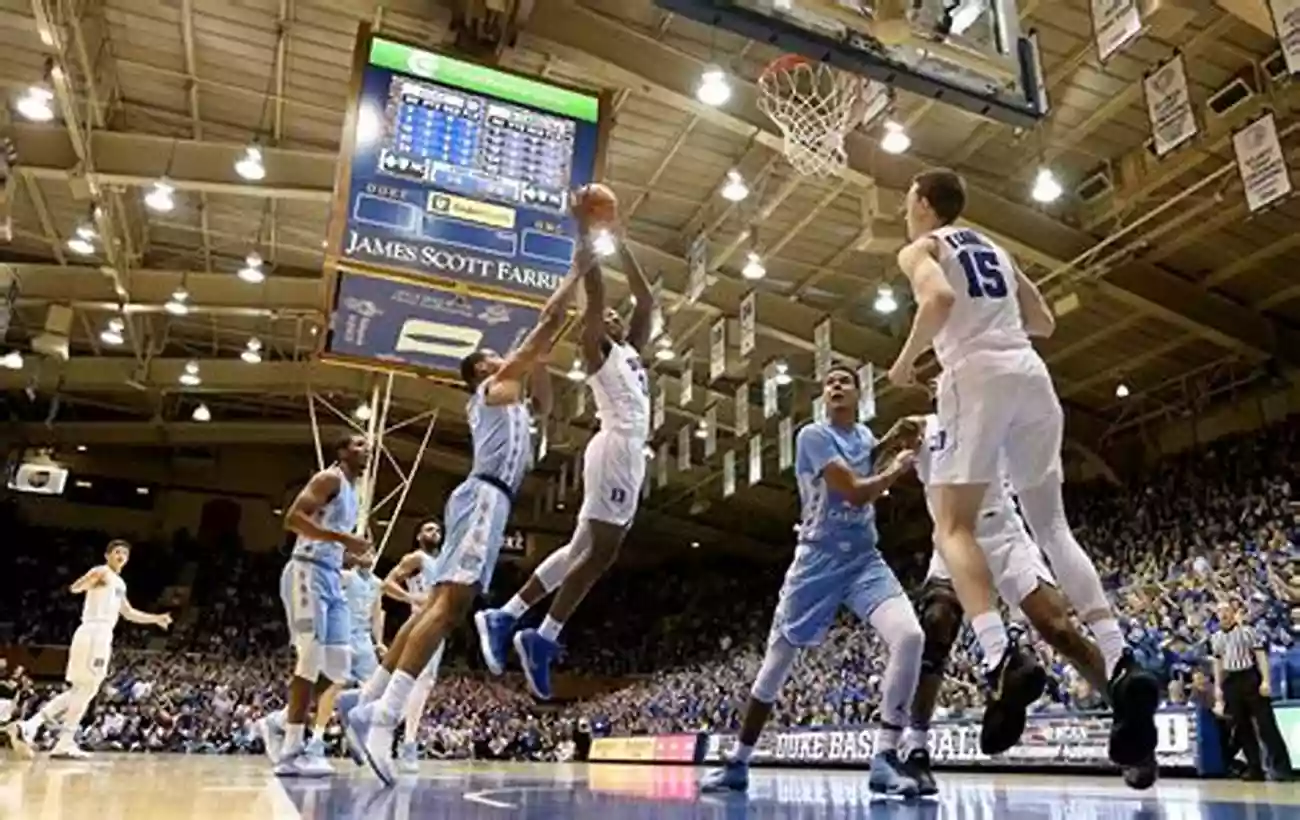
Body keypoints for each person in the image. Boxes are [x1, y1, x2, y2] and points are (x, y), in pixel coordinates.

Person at [886, 167, 1158, 764]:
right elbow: (1044, 323)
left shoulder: (922, 247)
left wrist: (906, 362)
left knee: (952, 528)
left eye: (908, 201)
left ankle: (1000, 657)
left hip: (978, 380)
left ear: (924, 203)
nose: (905, 211)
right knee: (1054, 528)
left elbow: (938, 300)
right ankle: (1120, 656)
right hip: (1030, 372)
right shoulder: (997, 250)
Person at [346, 224, 586, 786]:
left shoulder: (512, 401)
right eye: (495, 357)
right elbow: (543, 331)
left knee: (436, 607)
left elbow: (547, 402)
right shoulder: (491, 390)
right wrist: (575, 273)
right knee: (448, 609)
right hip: (483, 497)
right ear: (481, 369)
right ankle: (384, 719)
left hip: (486, 500)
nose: (503, 358)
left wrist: (540, 356)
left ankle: (368, 700)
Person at [895, 406, 1157, 791]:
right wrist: (889, 445)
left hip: (1004, 532)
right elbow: (874, 457)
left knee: (1059, 630)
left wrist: (1018, 619)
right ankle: (916, 745)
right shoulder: (923, 427)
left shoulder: (995, 404)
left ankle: (1132, 722)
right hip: (952, 538)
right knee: (936, 623)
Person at [699, 365, 925, 796]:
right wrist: (897, 468)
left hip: (863, 560)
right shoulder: (813, 436)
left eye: (845, 381)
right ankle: (738, 762)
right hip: (817, 562)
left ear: (859, 393)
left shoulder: (864, 437)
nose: (836, 385)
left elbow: (868, 456)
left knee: (910, 636)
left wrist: (894, 438)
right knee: (775, 665)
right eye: (829, 382)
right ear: (824, 396)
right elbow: (853, 491)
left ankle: (885, 757)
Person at [475, 219, 655, 700]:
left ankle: (507, 614)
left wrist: (621, 242)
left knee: (580, 551)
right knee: (602, 552)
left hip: (625, 452)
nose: (613, 316)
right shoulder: (596, 352)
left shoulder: (631, 351)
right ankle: (543, 635)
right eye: (607, 316)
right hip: (616, 446)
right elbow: (594, 301)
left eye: (617, 316)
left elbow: (646, 301)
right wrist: (589, 239)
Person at [259, 433, 372, 777]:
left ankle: (279, 720)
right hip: (306, 571)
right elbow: (293, 518)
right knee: (309, 660)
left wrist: (347, 553)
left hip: (332, 577)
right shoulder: (328, 478)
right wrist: (343, 538)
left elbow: (329, 536)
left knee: (338, 668)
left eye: (368, 446)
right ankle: (292, 751)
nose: (367, 449)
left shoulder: (353, 492)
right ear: (342, 451)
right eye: (359, 444)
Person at [5, 539, 171, 760]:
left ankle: (33, 727)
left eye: (125, 553)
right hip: (96, 633)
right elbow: (76, 587)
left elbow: (128, 612)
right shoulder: (101, 571)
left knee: (81, 691)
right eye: (117, 552)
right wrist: (90, 580)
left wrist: (156, 618)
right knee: (88, 689)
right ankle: (55, 738)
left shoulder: (120, 583)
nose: (121, 556)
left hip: (91, 634)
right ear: (107, 555)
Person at [380, 518, 447, 774]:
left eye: (438, 530)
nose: (435, 532)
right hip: (420, 622)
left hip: (438, 625)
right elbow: (387, 584)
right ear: (419, 536)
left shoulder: (443, 562)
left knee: (422, 685)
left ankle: (392, 734)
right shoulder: (416, 558)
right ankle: (407, 744)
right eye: (429, 529)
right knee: (417, 682)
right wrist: (412, 598)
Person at [1210, 600, 1294, 781]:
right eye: (1220, 611)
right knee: (1242, 728)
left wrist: (1265, 680)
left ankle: (1282, 769)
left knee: (1266, 726)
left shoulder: (1248, 632)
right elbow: (1218, 664)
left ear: (1233, 613)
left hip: (1250, 676)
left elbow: (1260, 656)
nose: (1223, 614)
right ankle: (1254, 768)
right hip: (1232, 680)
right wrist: (1218, 688)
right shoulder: (1216, 637)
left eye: (1226, 610)